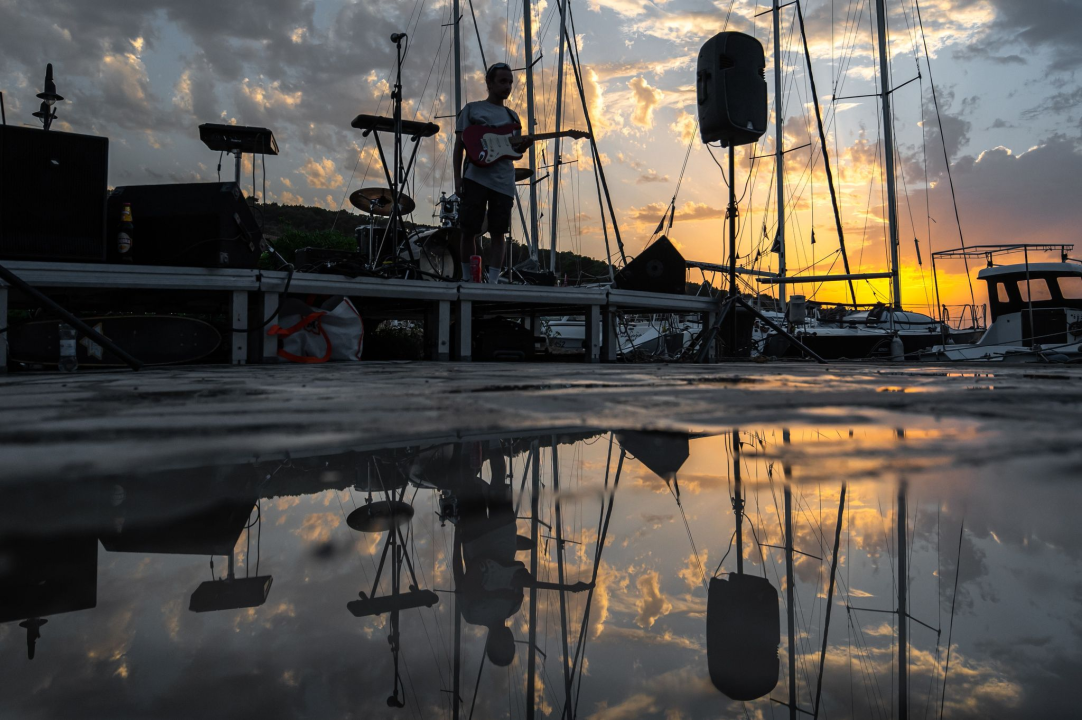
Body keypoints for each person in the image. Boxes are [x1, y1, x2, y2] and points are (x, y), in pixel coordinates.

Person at [453, 63, 534, 284]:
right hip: (475, 177)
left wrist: (523, 147)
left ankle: (494, 282)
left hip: (503, 181)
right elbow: (460, 145)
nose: (508, 86)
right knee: (469, 229)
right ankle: (469, 279)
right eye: (502, 81)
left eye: (510, 82)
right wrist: (457, 178)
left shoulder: (512, 116)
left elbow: (513, 152)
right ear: (489, 83)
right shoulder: (472, 109)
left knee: (498, 232)